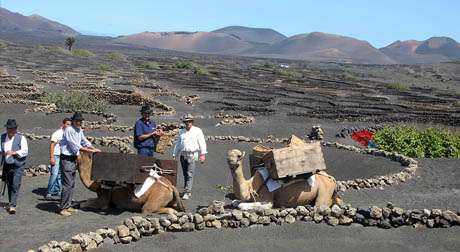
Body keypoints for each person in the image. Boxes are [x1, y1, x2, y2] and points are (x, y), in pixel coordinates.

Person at [59, 112, 100, 216]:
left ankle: (68, 206)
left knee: (71, 183)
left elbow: (84, 140)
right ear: (73, 121)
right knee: (67, 183)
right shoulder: (69, 130)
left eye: (80, 121)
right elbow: (75, 146)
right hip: (67, 158)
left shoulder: (79, 130)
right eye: (77, 121)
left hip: (73, 158)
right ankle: (63, 208)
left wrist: (93, 148)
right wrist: (91, 151)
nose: (79, 122)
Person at [172, 114, 207, 200]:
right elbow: (178, 144)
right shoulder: (181, 132)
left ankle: (187, 192)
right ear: (184, 122)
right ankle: (187, 189)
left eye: (190, 121)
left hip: (192, 154)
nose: (188, 123)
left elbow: (202, 142)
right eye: (186, 121)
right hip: (183, 154)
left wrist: (203, 154)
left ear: (192, 121)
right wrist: (174, 154)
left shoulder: (197, 131)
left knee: (190, 173)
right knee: (185, 173)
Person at [0, 119, 28, 214]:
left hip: (18, 165)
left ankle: (13, 205)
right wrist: (2, 153)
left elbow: (25, 151)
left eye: (12, 129)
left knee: (15, 184)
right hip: (7, 164)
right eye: (9, 129)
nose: (10, 131)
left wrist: (14, 152)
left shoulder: (21, 138)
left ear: (15, 129)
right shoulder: (2, 137)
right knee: (9, 183)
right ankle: (10, 201)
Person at [45, 118, 71, 200]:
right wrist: (52, 157)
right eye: (67, 124)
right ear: (63, 124)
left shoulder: (68, 134)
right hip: (56, 155)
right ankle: (49, 191)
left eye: (70, 124)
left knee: (60, 174)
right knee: (54, 173)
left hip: (64, 155)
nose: (68, 126)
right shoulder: (57, 133)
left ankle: (57, 190)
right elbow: (52, 145)